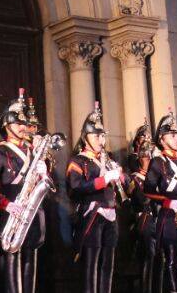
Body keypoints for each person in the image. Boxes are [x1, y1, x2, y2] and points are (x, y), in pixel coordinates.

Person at [0, 88, 50, 293]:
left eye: (24, 123)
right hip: (10, 217)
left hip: (33, 216)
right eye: (17, 123)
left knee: (31, 270)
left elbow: (46, 184)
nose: (23, 127)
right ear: (7, 126)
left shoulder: (33, 152)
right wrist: (6, 204)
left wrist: (44, 171)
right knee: (12, 275)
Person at [67, 101, 125, 293]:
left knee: (108, 263)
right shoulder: (78, 160)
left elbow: (125, 184)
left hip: (111, 214)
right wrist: (103, 179)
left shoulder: (108, 159)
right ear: (86, 137)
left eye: (102, 135)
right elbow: (74, 189)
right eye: (96, 135)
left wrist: (120, 176)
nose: (101, 140)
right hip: (92, 215)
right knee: (91, 263)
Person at [144, 108, 177, 293]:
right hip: (168, 217)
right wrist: (168, 202)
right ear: (162, 139)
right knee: (172, 260)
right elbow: (147, 191)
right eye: (172, 135)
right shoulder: (157, 162)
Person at [125, 121, 158, 293]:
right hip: (142, 216)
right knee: (148, 256)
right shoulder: (134, 172)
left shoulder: (155, 169)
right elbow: (141, 197)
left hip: (157, 216)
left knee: (159, 257)